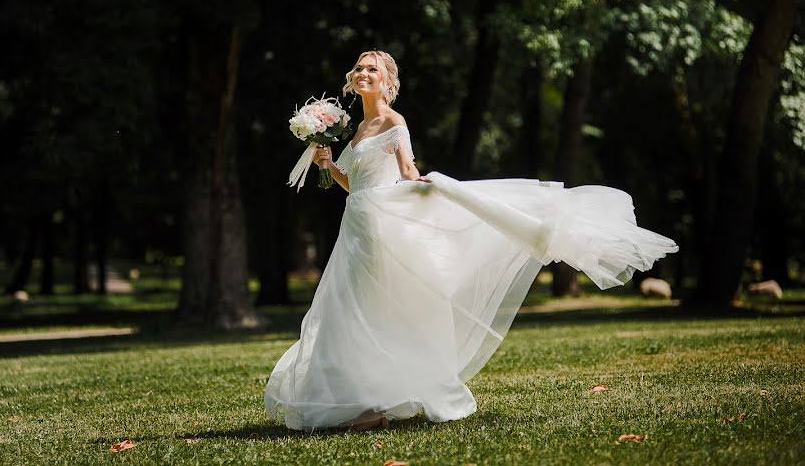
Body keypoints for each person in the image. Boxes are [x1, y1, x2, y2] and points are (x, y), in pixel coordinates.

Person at [265, 50, 678, 432]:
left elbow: (407, 171)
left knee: (380, 306)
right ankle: (357, 399)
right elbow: (353, 183)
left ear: (386, 81)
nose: (363, 73)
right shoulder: (355, 129)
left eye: (372, 68)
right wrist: (328, 164)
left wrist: (432, 187)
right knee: (349, 306)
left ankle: (381, 400)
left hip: (383, 223)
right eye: (359, 67)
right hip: (355, 224)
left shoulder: (394, 122)